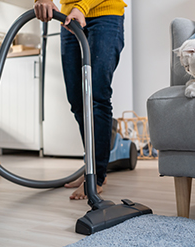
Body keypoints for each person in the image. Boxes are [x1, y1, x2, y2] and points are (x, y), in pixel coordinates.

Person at [33, 0, 127, 199]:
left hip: (105, 14)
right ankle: (91, 169)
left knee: (96, 96)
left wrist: (83, 7)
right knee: (77, 100)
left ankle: (96, 176)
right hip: (68, 17)